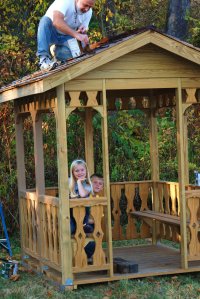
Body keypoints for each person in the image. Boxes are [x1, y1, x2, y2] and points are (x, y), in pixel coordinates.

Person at [37, 0, 95, 71]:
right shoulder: (65, 1)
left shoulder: (89, 12)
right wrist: (77, 34)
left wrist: (83, 35)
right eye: (85, 5)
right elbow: (57, 22)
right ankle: (44, 60)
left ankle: (57, 56)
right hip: (51, 33)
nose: (87, 9)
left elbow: (82, 32)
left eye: (90, 6)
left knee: (71, 58)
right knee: (45, 21)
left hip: (66, 37)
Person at [69, 159, 95, 259]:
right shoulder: (68, 182)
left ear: (86, 171)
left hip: (83, 216)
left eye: (82, 170)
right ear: (72, 172)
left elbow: (83, 195)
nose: (80, 173)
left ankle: (85, 252)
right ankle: (71, 255)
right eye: (77, 171)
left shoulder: (88, 185)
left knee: (83, 230)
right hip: (70, 216)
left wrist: (79, 182)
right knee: (69, 230)